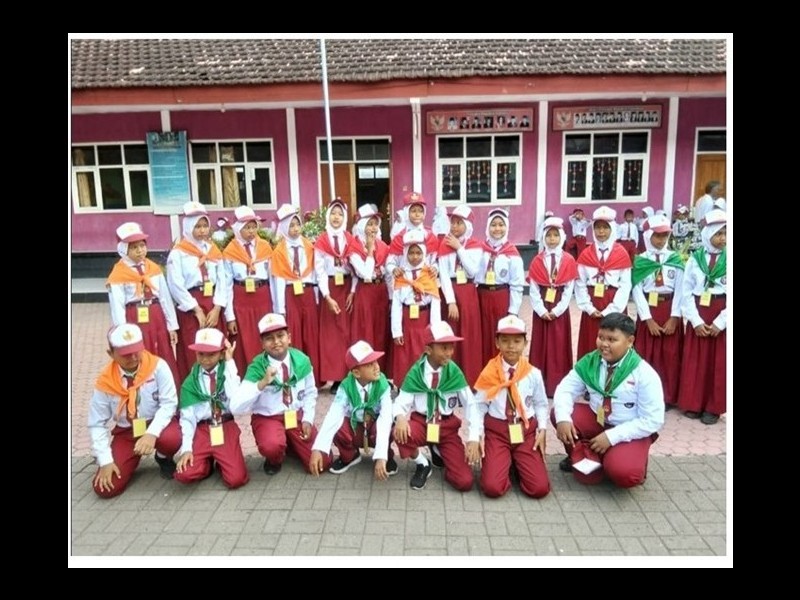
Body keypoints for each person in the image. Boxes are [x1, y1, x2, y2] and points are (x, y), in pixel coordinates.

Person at [552, 312, 664, 487]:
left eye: (612, 340)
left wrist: (611, 437)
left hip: (628, 428)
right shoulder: (590, 362)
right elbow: (565, 389)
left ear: (630, 341)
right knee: (559, 414)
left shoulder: (644, 373)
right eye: (601, 337)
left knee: (625, 474)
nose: (604, 344)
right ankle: (580, 456)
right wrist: (563, 418)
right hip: (598, 419)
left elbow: (653, 420)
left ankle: (618, 459)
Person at [89, 324, 182, 498]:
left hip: (156, 424)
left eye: (136, 351)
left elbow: (169, 404)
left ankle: (163, 457)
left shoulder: (158, 367)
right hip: (127, 431)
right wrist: (105, 460)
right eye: (125, 354)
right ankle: (128, 457)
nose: (133, 357)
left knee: (173, 438)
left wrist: (151, 433)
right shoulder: (105, 381)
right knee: (105, 488)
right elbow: (96, 423)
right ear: (111, 354)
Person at [229, 312, 327, 475]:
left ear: (289, 338)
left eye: (280, 335)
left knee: (323, 461)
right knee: (272, 446)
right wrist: (261, 383)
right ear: (262, 344)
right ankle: (274, 459)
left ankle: (290, 445)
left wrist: (308, 419)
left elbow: (310, 392)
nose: (276, 342)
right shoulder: (257, 367)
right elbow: (235, 407)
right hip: (269, 417)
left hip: (295, 416)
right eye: (269, 338)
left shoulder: (302, 360)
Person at [393, 322, 481, 491]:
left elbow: (471, 404)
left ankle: (439, 451)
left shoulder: (454, 372)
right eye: (444, 348)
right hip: (422, 423)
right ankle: (422, 463)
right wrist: (400, 417)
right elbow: (400, 402)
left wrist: (473, 437)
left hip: (447, 428)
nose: (449, 353)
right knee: (399, 432)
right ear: (428, 349)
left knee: (464, 482)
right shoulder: (417, 372)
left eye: (451, 347)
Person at [473, 316, 550, 499]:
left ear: (525, 343)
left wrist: (542, 428)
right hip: (497, 432)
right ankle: (503, 463)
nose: (511, 346)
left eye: (517, 341)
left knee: (539, 488)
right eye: (505, 341)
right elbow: (479, 406)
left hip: (525, 432)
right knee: (492, 488)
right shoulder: (490, 372)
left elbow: (540, 403)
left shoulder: (533, 373)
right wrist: (476, 435)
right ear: (497, 343)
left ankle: (515, 462)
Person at [309, 341, 398, 479]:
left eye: (376, 361)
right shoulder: (346, 386)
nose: (376, 367)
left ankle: (386, 456)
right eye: (369, 364)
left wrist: (381, 456)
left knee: (391, 424)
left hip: (374, 427)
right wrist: (318, 448)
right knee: (338, 425)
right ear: (356, 372)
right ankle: (350, 456)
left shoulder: (383, 385)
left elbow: (385, 418)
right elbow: (334, 414)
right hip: (356, 426)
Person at [106, 221, 180, 384]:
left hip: (156, 316)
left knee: (162, 351)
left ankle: (168, 390)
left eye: (142, 245)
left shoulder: (153, 268)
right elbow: (117, 306)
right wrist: (123, 332)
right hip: (134, 318)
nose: (140, 250)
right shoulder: (118, 274)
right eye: (134, 247)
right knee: (140, 352)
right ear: (123, 249)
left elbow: (165, 298)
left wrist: (171, 326)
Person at [174, 328, 249, 489]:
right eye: (200, 354)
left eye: (211, 354)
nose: (205, 359)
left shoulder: (228, 372)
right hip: (202, 430)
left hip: (225, 426)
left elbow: (236, 401)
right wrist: (186, 449)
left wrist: (230, 361)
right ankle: (206, 465)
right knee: (184, 474)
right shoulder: (190, 383)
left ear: (221, 353)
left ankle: (222, 460)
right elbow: (187, 419)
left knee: (236, 479)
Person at [167, 201, 227, 383]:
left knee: (215, 346)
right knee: (193, 349)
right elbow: (175, 284)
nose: (202, 231)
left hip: (212, 303)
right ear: (188, 227)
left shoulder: (213, 250)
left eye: (204, 226)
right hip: (191, 306)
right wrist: (196, 309)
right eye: (197, 227)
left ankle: (218, 388)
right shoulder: (178, 253)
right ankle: (195, 388)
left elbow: (222, 279)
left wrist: (217, 307)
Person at [676, 209, 727, 425]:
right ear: (707, 234)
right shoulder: (695, 259)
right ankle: (693, 402)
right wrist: (695, 321)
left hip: (720, 313)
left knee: (718, 363)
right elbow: (686, 291)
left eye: (725, 233)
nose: (723, 238)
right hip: (699, 312)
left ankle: (713, 407)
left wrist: (721, 322)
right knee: (696, 361)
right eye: (718, 233)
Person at [631, 214, 685, 409]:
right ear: (648, 235)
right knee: (647, 354)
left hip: (669, 309)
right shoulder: (641, 261)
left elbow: (681, 289)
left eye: (664, 236)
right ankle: (644, 394)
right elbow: (637, 290)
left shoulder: (675, 259)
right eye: (657, 235)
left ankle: (668, 396)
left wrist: (675, 317)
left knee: (670, 355)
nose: (661, 240)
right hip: (649, 311)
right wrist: (647, 319)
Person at [269, 204, 321, 383]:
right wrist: (280, 308)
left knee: (311, 334)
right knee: (294, 334)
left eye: (298, 224)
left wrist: (316, 298)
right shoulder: (279, 251)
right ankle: (296, 374)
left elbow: (315, 273)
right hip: (291, 295)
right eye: (291, 225)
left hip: (308, 293)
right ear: (284, 227)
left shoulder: (309, 246)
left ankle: (314, 376)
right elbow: (279, 281)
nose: (295, 229)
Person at [527, 216, 578, 396]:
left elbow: (569, 288)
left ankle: (557, 384)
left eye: (556, 235)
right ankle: (539, 385)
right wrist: (541, 310)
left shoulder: (569, 260)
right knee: (541, 344)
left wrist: (557, 310)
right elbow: (533, 288)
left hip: (559, 307)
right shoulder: (537, 260)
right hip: (542, 305)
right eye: (548, 235)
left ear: (562, 237)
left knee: (558, 345)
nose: (552, 239)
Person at [574, 205, 633, 360]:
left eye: (605, 227)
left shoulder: (621, 253)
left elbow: (625, 284)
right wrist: (588, 307)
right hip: (592, 303)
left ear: (612, 229)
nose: (601, 232)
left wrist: (613, 309)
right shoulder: (586, 254)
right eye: (597, 227)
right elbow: (580, 282)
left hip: (614, 302)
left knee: (614, 344)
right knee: (591, 344)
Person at [314, 199, 360, 393]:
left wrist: (353, 291)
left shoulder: (350, 239)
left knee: (347, 332)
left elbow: (356, 268)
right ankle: (336, 377)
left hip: (347, 288)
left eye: (340, 214)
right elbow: (320, 271)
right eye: (333, 213)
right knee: (332, 334)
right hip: (330, 289)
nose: (336, 217)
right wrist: (327, 296)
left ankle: (349, 374)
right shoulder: (322, 241)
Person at [222, 206, 273, 376]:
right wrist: (230, 316)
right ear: (238, 228)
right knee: (246, 341)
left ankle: (269, 374)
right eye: (247, 227)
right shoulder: (230, 251)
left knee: (265, 335)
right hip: (241, 301)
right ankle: (248, 378)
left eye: (253, 227)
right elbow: (227, 285)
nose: (251, 231)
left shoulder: (265, 247)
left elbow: (272, 278)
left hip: (263, 298)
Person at [437, 205, 484, 384]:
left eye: (459, 223)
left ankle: (470, 377)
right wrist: (450, 301)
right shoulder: (444, 244)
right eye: (453, 222)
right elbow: (444, 275)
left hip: (468, 293)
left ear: (467, 225)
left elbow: (472, 270)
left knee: (469, 334)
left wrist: (459, 248)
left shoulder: (475, 246)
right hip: (450, 292)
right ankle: (450, 377)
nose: (455, 226)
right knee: (451, 333)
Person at [475, 208, 526, 367]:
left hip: (501, 297)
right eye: (494, 225)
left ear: (507, 227)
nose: (497, 229)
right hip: (481, 296)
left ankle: (501, 369)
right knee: (482, 335)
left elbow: (517, 284)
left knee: (500, 335)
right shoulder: (479, 250)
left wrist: (513, 310)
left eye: (501, 225)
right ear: (487, 227)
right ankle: (483, 370)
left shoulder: (511, 253)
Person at [390, 230, 443, 383]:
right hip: (407, 321)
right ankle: (404, 385)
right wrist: (396, 331)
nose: (415, 257)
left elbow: (435, 302)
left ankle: (424, 384)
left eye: (418, 253)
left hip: (424, 320)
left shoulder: (429, 274)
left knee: (423, 352)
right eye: (411, 253)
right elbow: (396, 305)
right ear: (405, 254)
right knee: (405, 354)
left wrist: (435, 328)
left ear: (424, 253)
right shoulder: (401, 276)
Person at [349, 204, 391, 374]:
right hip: (365, 292)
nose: (373, 228)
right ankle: (365, 369)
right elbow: (365, 272)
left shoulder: (384, 246)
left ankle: (381, 370)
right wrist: (370, 251)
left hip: (381, 291)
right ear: (361, 226)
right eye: (369, 224)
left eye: (375, 224)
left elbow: (388, 274)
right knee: (366, 330)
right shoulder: (354, 248)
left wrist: (391, 297)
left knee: (381, 330)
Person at [386, 191, 439, 289]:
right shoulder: (399, 238)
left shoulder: (430, 236)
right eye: (413, 211)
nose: (417, 214)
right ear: (407, 212)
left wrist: (435, 268)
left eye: (420, 211)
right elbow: (390, 262)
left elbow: (435, 260)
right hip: (404, 284)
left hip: (426, 285)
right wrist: (394, 269)